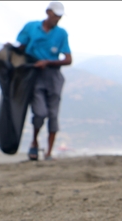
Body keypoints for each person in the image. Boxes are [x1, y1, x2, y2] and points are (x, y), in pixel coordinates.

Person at [15, 1, 72, 161]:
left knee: (53, 115)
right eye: (55, 16)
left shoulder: (61, 34)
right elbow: (21, 47)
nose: (57, 19)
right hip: (34, 75)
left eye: (60, 17)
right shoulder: (31, 27)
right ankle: (34, 142)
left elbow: (68, 59)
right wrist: (10, 49)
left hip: (53, 76)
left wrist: (48, 62)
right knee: (39, 112)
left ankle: (49, 152)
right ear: (48, 12)